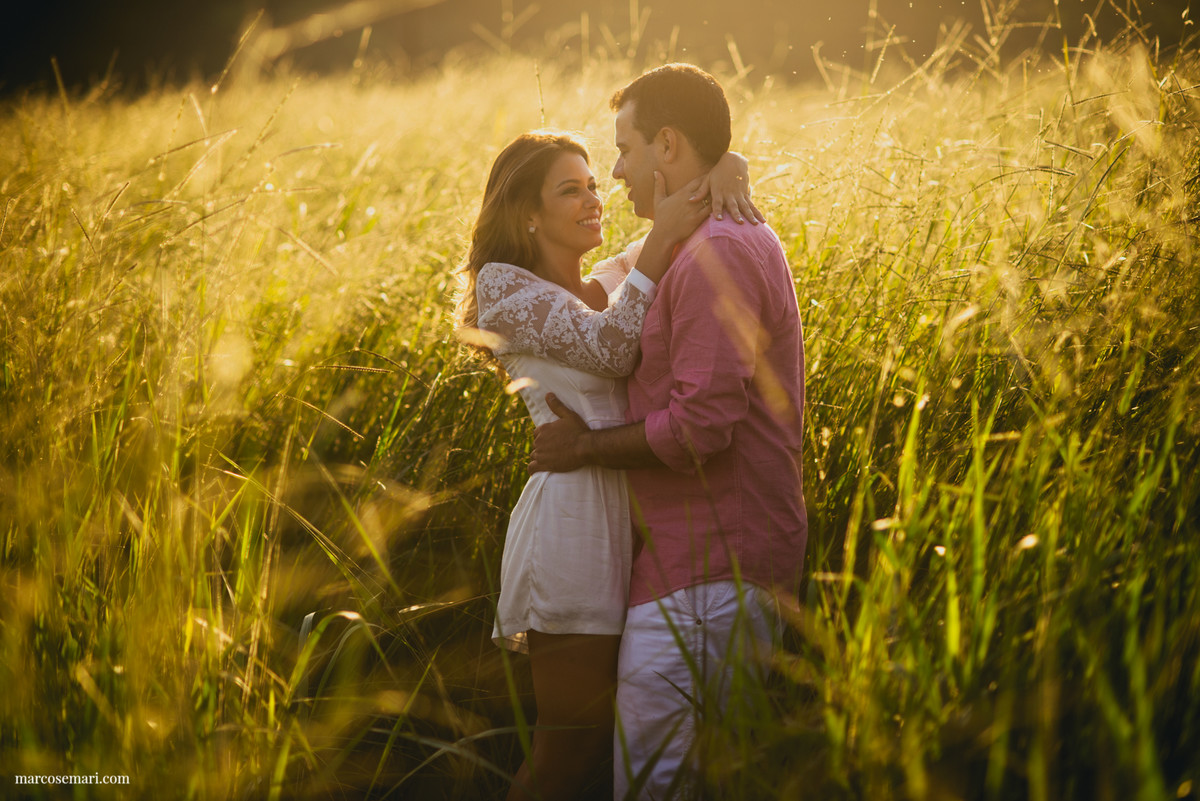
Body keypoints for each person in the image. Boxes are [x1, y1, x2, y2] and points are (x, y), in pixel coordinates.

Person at [527, 63, 808, 799]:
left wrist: (581, 448)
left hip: (720, 566)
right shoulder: (685, 242)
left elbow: (699, 427)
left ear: (669, 145)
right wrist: (726, 164)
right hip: (690, 562)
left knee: (658, 785)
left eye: (625, 149)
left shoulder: (719, 251)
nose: (614, 171)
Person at [455, 131, 760, 801]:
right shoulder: (505, 288)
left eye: (594, 184)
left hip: (617, 524)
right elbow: (612, 347)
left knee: (595, 752)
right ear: (526, 213)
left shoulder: (605, 281)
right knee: (569, 748)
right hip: (567, 524)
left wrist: (727, 165)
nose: (594, 198)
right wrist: (658, 241)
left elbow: (678, 223)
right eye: (570, 189)